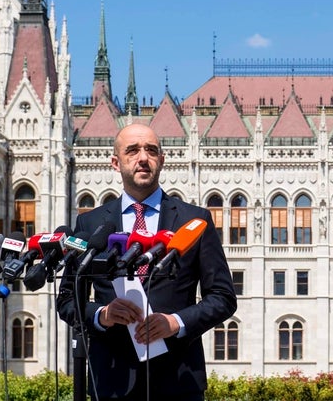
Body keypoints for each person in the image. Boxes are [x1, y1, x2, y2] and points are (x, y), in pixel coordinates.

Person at [57, 123, 237, 401]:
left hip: (178, 381)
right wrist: (102, 315)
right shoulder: (90, 223)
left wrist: (175, 322)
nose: (143, 157)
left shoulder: (195, 221)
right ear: (115, 163)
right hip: (111, 382)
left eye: (151, 150)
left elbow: (224, 297)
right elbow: (68, 300)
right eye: (132, 150)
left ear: (162, 161)